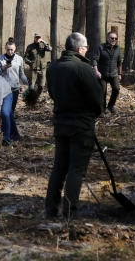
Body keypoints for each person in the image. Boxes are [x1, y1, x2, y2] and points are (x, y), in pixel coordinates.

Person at [44, 32, 104, 218]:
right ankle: (70, 211)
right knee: (76, 169)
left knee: (59, 167)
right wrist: (97, 110)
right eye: (86, 47)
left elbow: (53, 94)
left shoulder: (53, 67)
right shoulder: (83, 68)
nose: (87, 50)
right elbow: (96, 99)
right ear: (79, 49)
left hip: (61, 122)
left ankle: (51, 209)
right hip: (81, 124)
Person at [0, 39, 27, 141]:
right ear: (5, 48)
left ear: (15, 48)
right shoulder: (0, 59)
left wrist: (28, 83)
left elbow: (21, 74)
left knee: (9, 113)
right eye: (8, 50)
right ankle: (13, 134)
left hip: (14, 89)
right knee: (6, 113)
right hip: (3, 90)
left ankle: (9, 133)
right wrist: (3, 68)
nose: (10, 52)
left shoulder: (19, 59)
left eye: (12, 50)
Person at [94, 31, 123, 113]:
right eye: (112, 38)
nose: (114, 40)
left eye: (115, 38)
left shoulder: (118, 48)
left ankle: (111, 105)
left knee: (116, 88)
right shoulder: (101, 47)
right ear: (107, 38)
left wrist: (120, 74)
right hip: (102, 74)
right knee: (103, 91)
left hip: (113, 73)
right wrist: (96, 71)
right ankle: (102, 109)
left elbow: (119, 62)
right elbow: (95, 59)